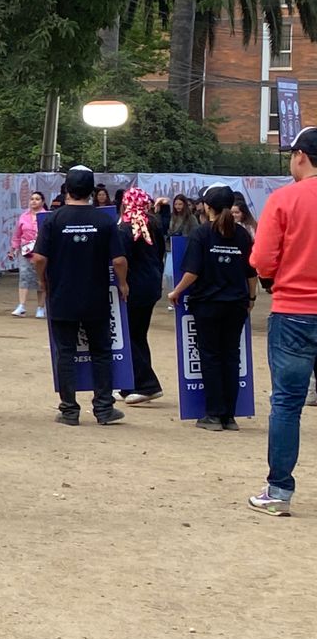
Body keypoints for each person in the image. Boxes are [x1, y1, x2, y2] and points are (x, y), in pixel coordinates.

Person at [248, 127, 317, 515]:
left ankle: (279, 492)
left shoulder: (284, 198)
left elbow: (260, 260)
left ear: (301, 156)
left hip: (294, 310)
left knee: (287, 404)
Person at [33, 165, 129, 427]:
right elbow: (119, 260)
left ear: (67, 190)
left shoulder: (54, 219)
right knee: (101, 352)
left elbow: (39, 257)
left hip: (62, 294)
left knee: (65, 352)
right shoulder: (104, 220)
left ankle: (69, 411)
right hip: (96, 296)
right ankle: (104, 408)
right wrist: (122, 284)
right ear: (92, 190)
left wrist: (43, 280)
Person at [169, 184, 255, 432]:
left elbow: (192, 272)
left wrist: (176, 291)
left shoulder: (202, 233)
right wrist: (250, 299)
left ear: (207, 206)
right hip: (237, 304)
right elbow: (251, 273)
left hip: (207, 304)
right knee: (231, 357)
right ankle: (230, 416)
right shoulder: (241, 235)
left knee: (210, 357)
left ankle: (214, 415)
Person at [116, 186, 167, 407]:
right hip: (152, 284)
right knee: (138, 334)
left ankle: (148, 384)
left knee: (129, 335)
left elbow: (121, 260)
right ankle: (130, 383)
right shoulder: (153, 226)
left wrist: (123, 282)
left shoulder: (125, 229)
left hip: (135, 287)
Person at [8, 192, 47, 318]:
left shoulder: (47, 216)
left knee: (41, 279)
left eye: (37, 199)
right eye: (32, 199)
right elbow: (17, 235)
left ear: (42, 201)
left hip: (41, 252)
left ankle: (40, 307)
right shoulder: (23, 217)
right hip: (25, 252)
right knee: (24, 277)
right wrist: (13, 249)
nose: (34, 201)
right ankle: (21, 306)